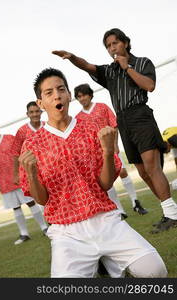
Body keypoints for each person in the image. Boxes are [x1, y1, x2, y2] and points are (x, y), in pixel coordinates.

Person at [19, 67, 167, 278]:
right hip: (67, 232)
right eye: (49, 92)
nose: (57, 95)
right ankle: (104, 265)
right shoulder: (32, 144)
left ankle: (108, 264)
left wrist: (108, 152)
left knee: (155, 271)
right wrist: (32, 174)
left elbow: (105, 185)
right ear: (40, 104)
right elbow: (42, 200)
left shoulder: (91, 128)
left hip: (105, 220)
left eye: (61, 89)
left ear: (69, 95)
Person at [52, 28, 177, 233]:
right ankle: (170, 211)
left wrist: (127, 67)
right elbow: (87, 66)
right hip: (124, 120)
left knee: (152, 166)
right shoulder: (109, 71)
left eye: (115, 43)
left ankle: (172, 214)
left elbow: (150, 85)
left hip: (140, 116)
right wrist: (72, 57)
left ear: (125, 43)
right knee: (143, 172)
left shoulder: (143, 62)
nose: (112, 48)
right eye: (108, 46)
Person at [74, 83, 147, 216]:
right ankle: (119, 209)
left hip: (110, 148)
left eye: (84, 95)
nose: (82, 98)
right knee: (107, 180)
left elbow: (114, 125)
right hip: (95, 154)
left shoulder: (102, 107)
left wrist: (115, 144)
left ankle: (135, 202)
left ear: (90, 95)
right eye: (79, 97)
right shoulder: (77, 118)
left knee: (123, 172)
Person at [0, 120, 48, 245]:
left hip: (20, 178)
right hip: (4, 182)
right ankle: (24, 234)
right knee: (15, 208)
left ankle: (44, 227)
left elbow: (22, 153)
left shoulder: (10, 138)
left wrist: (20, 173)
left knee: (31, 203)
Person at [12, 101, 45, 213]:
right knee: (39, 198)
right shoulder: (22, 131)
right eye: (32, 112)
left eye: (37, 111)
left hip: (49, 168)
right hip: (33, 171)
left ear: (41, 112)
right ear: (27, 114)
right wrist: (16, 174)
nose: (35, 114)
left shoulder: (48, 125)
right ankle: (49, 224)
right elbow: (16, 153)